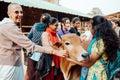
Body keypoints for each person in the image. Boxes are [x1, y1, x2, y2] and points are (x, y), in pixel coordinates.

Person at [0, 3, 66, 80]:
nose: (20, 14)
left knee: (31, 72)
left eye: (21, 12)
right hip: (12, 64)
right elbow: (31, 45)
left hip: (24, 57)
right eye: (16, 12)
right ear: (9, 13)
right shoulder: (9, 27)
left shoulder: (5, 25)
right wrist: (55, 51)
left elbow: (29, 37)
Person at [67, 15, 120, 80]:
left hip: (97, 76)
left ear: (95, 28)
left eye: (90, 26)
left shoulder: (99, 42)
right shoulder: (103, 39)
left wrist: (70, 60)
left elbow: (88, 64)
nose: (89, 28)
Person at [26, 13, 51, 80]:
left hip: (32, 50)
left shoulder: (35, 25)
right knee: (39, 71)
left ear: (41, 19)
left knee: (30, 70)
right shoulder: (47, 28)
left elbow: (29, 37)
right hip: (42, 52)